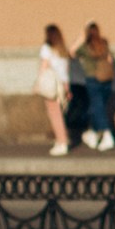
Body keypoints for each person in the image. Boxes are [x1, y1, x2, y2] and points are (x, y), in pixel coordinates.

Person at [74, 23, 115, 152]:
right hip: (106, 78)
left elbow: (72, 52)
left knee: (97, 107)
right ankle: (93, 133)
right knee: (98, 107)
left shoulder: (86, 47)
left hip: (93, 79)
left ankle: (107, 135)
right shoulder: (104, 44)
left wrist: (80, 38)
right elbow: (110, 60)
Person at [36, 25, 73, 157]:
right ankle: (60, 141)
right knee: (60, 114)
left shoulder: (47, 48)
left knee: (55, 115)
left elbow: (44, 66)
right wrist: (67, 88)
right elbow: (66, 71)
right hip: (63, 84)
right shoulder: (62, 49)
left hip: (52, 85)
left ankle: (62, 141)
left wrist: (38, 83)